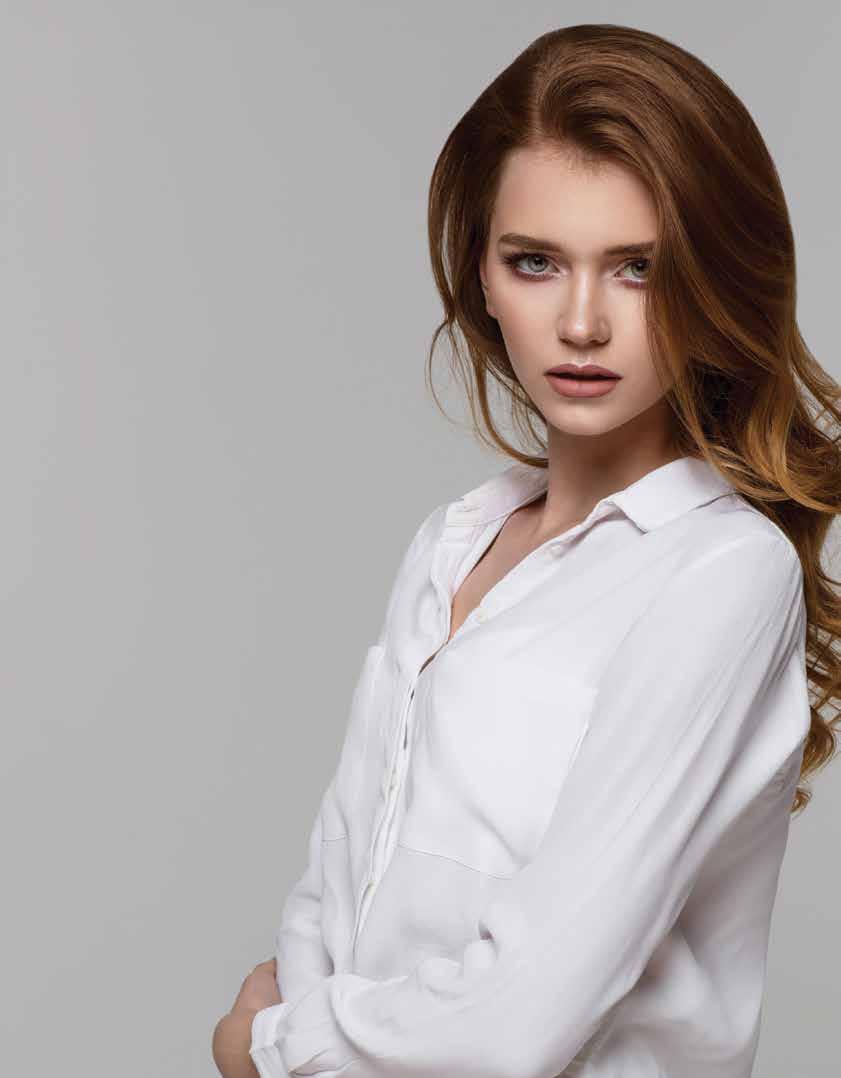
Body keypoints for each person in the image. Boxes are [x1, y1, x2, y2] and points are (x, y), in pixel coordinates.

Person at [213, 22, 841, 1078]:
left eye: (638, 269)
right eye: (535, 262)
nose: (582, 322)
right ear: (483, 276)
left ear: (711, 283)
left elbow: (523, 1016)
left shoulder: (720, 572)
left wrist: (268, 1050)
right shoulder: (452, 543)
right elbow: (335, 889)